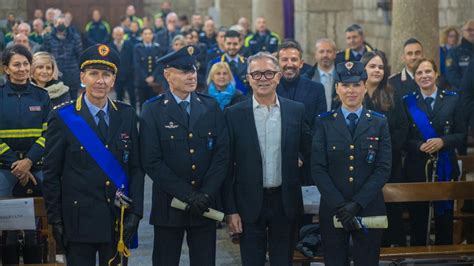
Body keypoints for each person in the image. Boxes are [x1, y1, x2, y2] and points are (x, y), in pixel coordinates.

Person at [42, 44, 144, 266]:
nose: (100, 81)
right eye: (94, 74)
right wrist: (55, 219)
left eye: (107, 75)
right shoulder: (63, 117)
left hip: (116, 220)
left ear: (114, 80)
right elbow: (51, 173)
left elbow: (136, 167)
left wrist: (136, 212)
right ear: (82, 77)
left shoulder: (126, 115)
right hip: (78, 221)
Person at [140, 45, 229, 266]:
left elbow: (222, 155)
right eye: (184, 71)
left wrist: (206, 194)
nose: (191, 76)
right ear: (168, 75)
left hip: (205, 205)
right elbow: (151, 161)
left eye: (193, 70)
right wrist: (189, 196)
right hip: (170, 205)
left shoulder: (210, 106)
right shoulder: (153, 110)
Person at [224, 52, 312, 265]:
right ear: (248, 78)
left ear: (278, 76)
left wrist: (297, 157)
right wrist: (231, 210)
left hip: (285, 202)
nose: (263, 78)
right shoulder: (233, 114)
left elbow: (309, 148)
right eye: (256, 74)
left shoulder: (295, 111)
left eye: (268, 73)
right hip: (248, 203)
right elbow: (225, 167)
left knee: (283, 260)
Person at [312, 61, 392, 265]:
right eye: (345, 85)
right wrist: (341, 206)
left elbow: (383, 168)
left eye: (357, 85)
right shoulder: (324, 122)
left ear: (365, 87)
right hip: (333, 209)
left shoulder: (379, 122)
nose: (351, 90)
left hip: (368, 207)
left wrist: (356, 204)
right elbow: (318, 168)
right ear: (337, 88)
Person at [403, 58, 465, 246]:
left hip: (445, 166)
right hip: (417, 168)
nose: (424, 76)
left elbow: (462, 134)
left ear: (436, 74)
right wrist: (419, 146)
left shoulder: (454, 99)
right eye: (419, 73)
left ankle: (443, 259)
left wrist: (443, 141)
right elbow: (403, 138)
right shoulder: (407, 102)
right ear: (415, 78)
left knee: (444, 221)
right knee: (418, 222)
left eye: (428, 71)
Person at [0, 44, 51, 264]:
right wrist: (17, 165)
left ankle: (37, 257)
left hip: (37, 166)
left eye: (26, 64)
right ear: (6, 68)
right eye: (16, 64)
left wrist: (28, 161)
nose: (22, 68)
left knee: (40, 221)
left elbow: (49, 133)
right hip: (5, 168)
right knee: (6, 223)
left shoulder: (41, 96)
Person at [361, 51, 409, 246]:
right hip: (361, 164)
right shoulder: (354, 92)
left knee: (391, 209)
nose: (377, 70)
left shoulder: (391, 94)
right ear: (363, 68)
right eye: (372, 66)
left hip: (389, 163)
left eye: (381, 67)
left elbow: (402, 127)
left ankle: (392, 245)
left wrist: (386, 150)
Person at [276, 40, 326, 131]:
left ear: (301, 63)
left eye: (294, 59)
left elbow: (320, 127)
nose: (289, 64)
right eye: (284, 59)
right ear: (278, 63)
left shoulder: (317, 89)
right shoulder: (270, 89)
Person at [41, 14, 83, 100]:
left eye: (63, 23)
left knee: (72, 100)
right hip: (55, 74)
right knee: (56, 100)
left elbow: (80, 55)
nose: (61, 25)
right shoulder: (48, 38)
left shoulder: (74, 37)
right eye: (59, 23)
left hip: (72, 74)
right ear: (55, 24)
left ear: (67, 24)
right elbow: (45, 55)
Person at [207, 30, 249, 95]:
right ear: (224, 43)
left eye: (235, 44)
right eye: (229, 43)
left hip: (244, 102)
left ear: (240, 44)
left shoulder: (247, 64)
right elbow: (208, 86)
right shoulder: (214, 63)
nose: (232, 47)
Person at [133, 27, 164, 110]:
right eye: (145, 34)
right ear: (142, 35)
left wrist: (153, 76)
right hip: (142, 81)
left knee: (154, 105)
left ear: (153, 35)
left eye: (150, 33)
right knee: (142, 105)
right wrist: (146, 77)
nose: (148, 36)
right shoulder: (138, 48)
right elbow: (137, 65)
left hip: (154, 82)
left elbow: (159, 64)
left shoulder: (157, 48)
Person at [304, 38, 338, 111]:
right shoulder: (307, 78)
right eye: (321, 52)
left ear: (335, 54)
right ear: (315, 55)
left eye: (329, 51)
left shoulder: (343, 77)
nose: (325, 55)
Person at [109, 26, 136, 108]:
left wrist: (132, 71)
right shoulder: (109, 47)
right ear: (113, 35)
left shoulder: (130, 45)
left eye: (120, 35)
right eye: (116, 35)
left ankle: (134, 114)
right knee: (119, 98)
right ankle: (120, 115)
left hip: (129, 76)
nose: (118, 37)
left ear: (123, 35)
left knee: (132, 96)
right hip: (117, 76)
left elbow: (133, 60)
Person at [446, 20, 474, 90]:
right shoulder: (454, 52)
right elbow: (451, 75)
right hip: (462, 95)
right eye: (469, 30)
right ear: (462, 32)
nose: (473, 32)